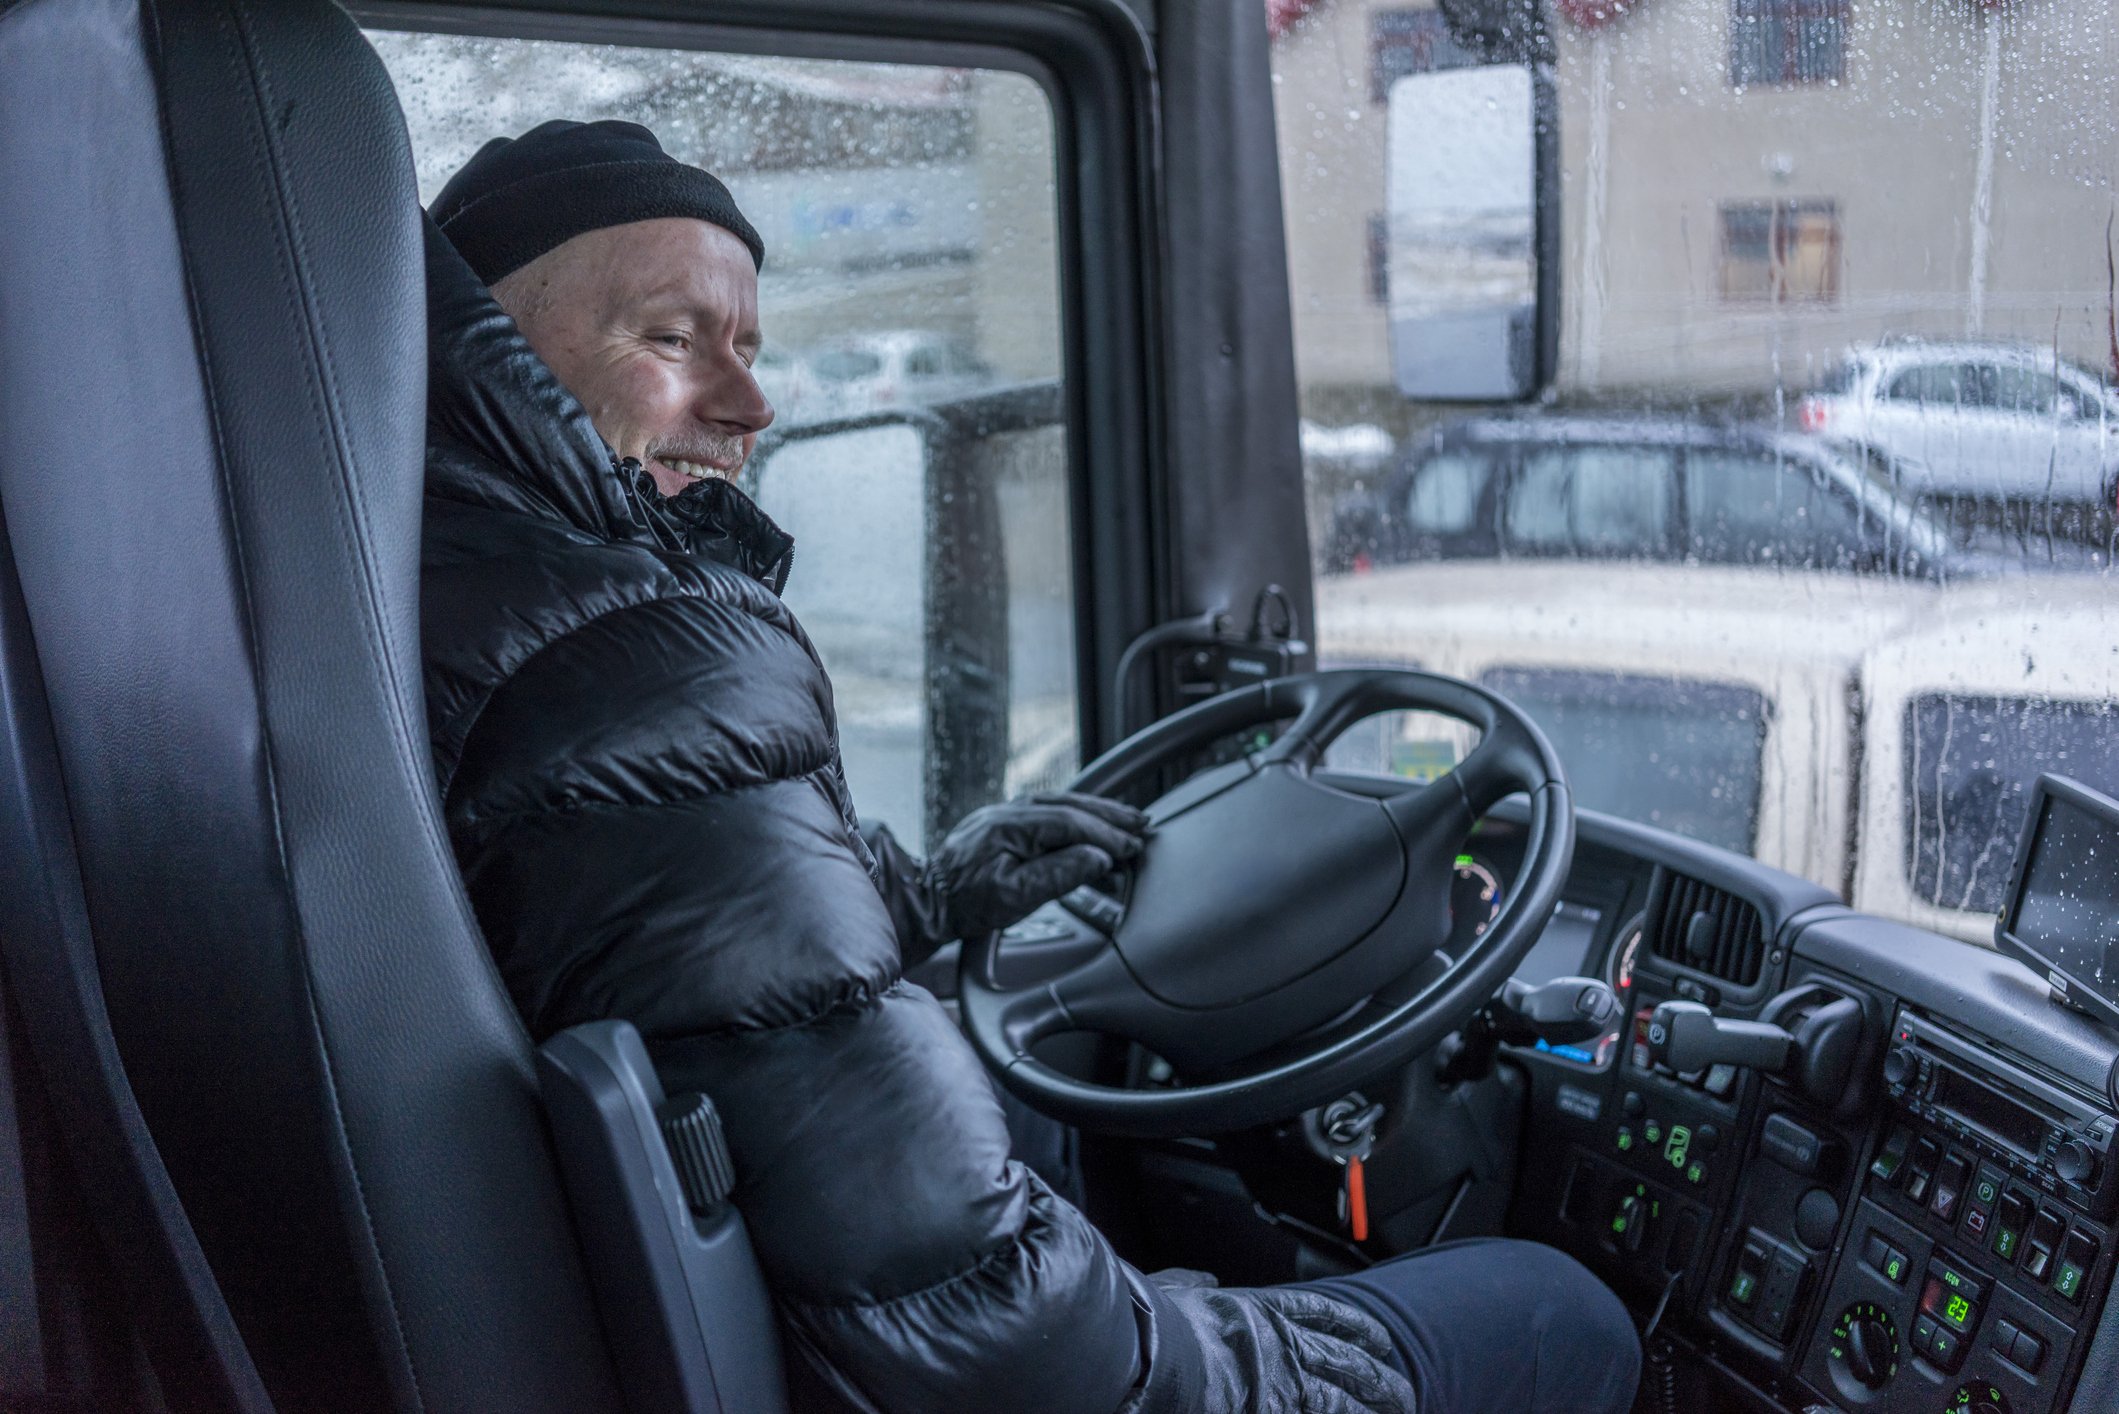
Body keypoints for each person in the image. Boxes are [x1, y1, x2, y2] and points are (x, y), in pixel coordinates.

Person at [419, 118, 1640, 1413]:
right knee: (1560, 1310)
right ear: (492, 352)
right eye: (670, 339)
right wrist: (1266, 1370)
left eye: (750, 350)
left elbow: (652, 937)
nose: (752, 406)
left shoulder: (448, 596)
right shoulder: (641, 652)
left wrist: (929, 898)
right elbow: (978, 1323)